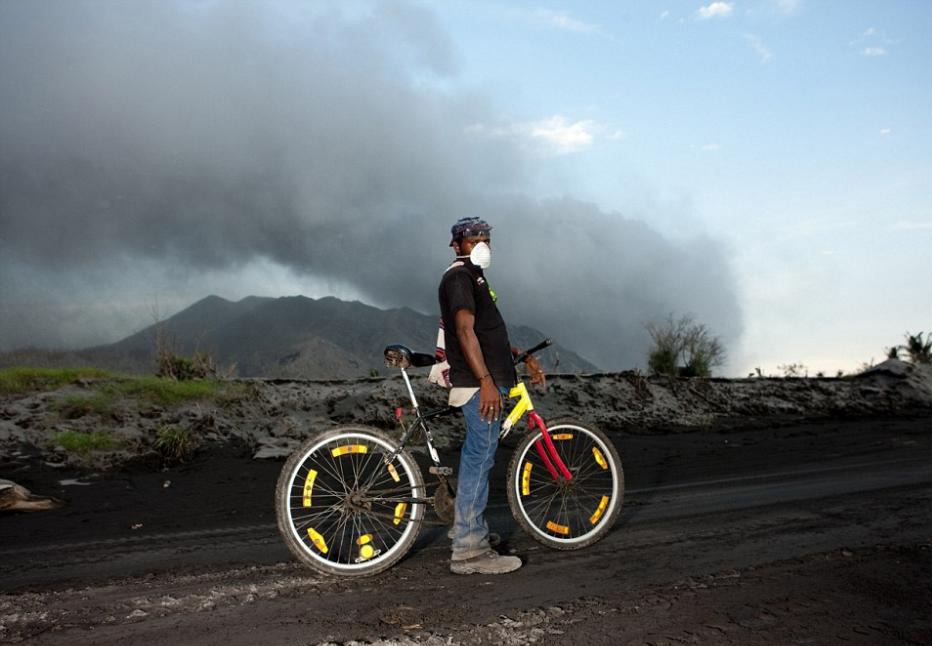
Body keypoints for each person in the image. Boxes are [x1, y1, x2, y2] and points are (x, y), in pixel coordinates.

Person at [439, 216, 546, 575]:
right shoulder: (459, 278)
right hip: (478, 384)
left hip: (486, 378)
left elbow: (486, 334)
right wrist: (486, 380)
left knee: (478, 456)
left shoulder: (476, 278)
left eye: (486, 239)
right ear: (457, 244)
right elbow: (465, 330)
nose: (482, 244)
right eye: (473, 240)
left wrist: (523, 356)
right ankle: (469, 549)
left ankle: (469, 529)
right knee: (478, 458)